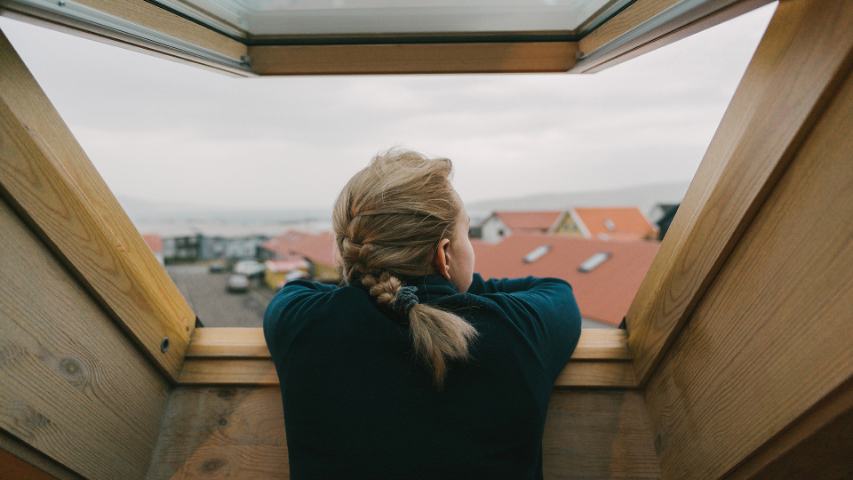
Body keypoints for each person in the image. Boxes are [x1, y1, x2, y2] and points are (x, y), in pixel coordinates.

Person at [263, 148, 582, 480]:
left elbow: (306, 291)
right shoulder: (518, 329)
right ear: (444, 255)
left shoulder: (302, 322)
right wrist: (456, 287)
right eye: (466, 233)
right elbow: (555, 291)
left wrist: (382, 282)